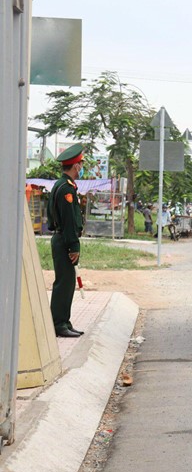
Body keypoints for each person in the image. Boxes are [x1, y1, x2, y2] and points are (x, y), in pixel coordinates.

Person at [47, 143, 86, 338]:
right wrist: (73, 245)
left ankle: (64, 321)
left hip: (61, 238)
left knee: (68, 282)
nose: (81, 167)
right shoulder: (66, 190)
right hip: (64, 240)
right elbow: (69, 221)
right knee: (64, 283)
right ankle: (58, 323)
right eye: (81, 163)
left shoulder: (60, 185)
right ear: (76, 166)